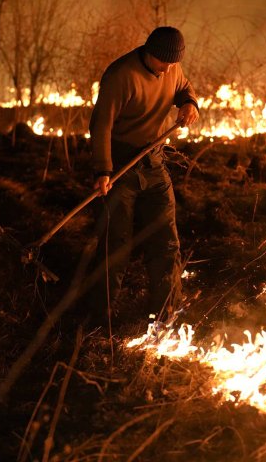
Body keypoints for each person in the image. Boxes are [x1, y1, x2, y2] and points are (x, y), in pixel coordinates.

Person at [87, 26, 199, 326]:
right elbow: (100, 126)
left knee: (166, 241)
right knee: (116, 244)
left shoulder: (172, 67)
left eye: (173, 64)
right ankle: (101, 319)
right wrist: (103, 170)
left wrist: (189, 102)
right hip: (121, 165)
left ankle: (167, 312)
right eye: (164, 63)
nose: (169, 70)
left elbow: (184, 86)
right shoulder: (121, 76)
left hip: (154, 161)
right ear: (150, 53)